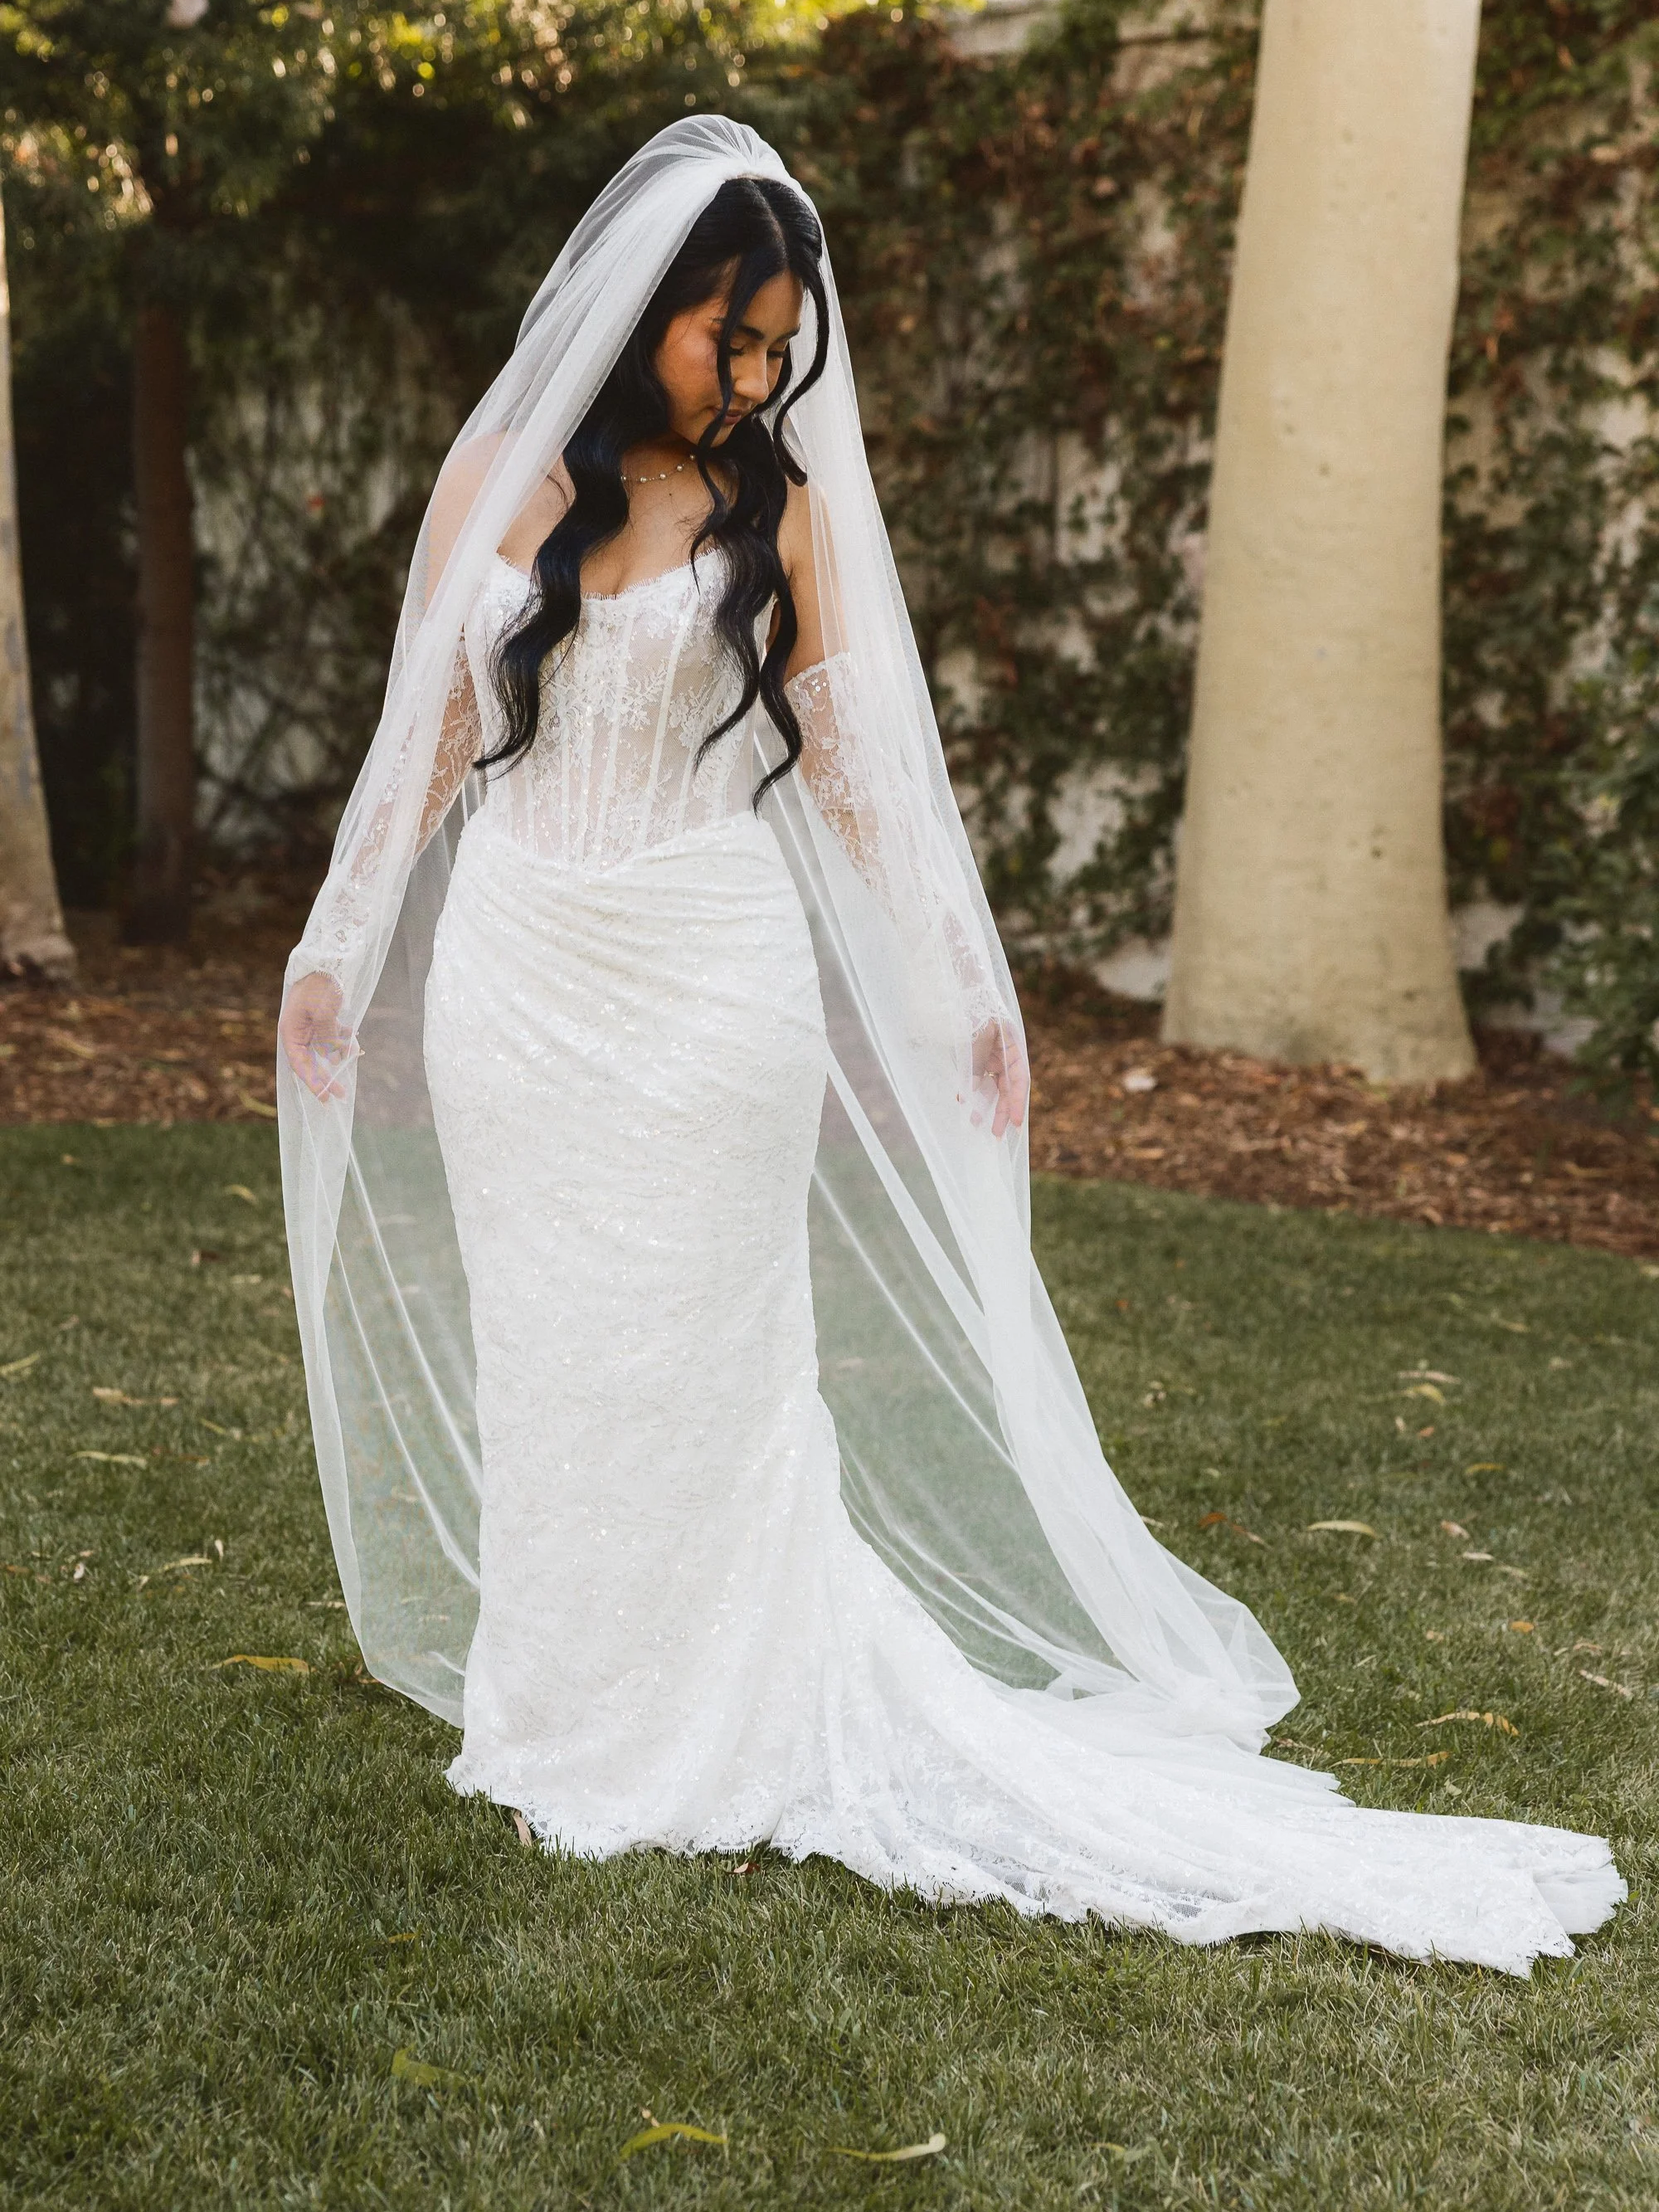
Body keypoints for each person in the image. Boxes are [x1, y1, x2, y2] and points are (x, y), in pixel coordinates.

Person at [277, 116, 1621, 1974]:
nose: (751, 381)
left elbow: (861, 788)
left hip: (708, 975)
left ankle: (720, 1711)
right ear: (642, 315)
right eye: (722, 339)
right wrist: (337, 950)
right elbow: (421, 740)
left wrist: (958, 986)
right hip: (528, 973)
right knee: (555, 1340)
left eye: (775, 351)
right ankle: (561, 1712)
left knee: (704, 1353)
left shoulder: (789, 518)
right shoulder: (501, 481)